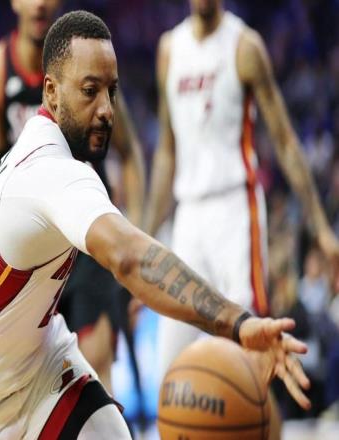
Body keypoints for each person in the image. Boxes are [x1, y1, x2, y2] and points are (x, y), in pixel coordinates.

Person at [0, 11, 311, 439]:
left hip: (38, 365)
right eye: (89, 91)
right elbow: (131, 259)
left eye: (111, 91)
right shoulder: (49, 169)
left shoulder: (68, 160)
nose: (105, 110)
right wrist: (238, 324)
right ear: (51, 92)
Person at [144, 0, 339, 390]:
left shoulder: (244, 46)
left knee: (250, 356)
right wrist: (146, 236)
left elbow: (284, 140)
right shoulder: (169, 49)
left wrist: (320, 227)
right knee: (170, 366)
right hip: (187, 216)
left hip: (236, 208)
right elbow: (166, 150)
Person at [0, 0, 145, 392]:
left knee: (95, 367)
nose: (39, 3)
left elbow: (130, 152)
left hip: (86, 230)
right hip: (35, 240)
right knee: (32, 383)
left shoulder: (87, 61)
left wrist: (132, 232)